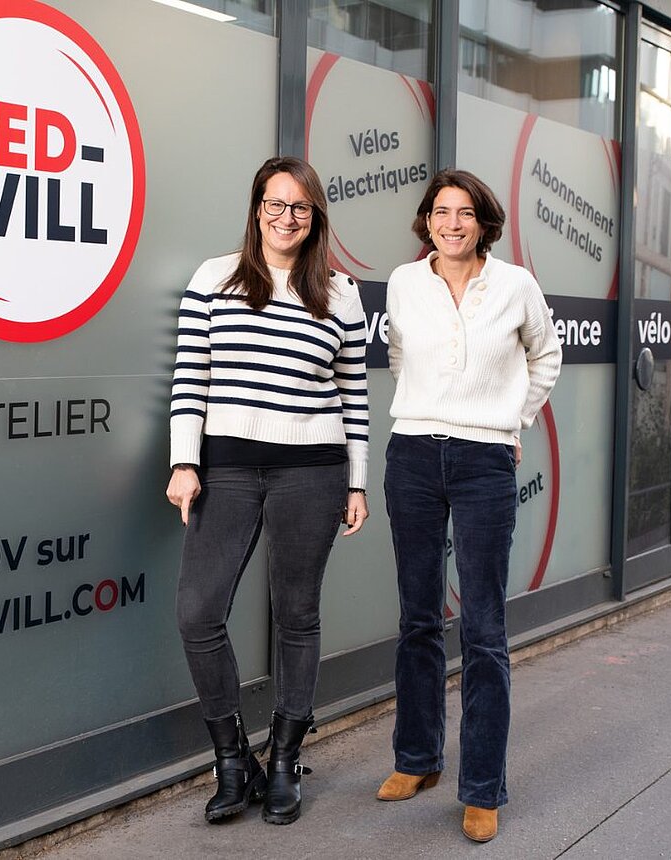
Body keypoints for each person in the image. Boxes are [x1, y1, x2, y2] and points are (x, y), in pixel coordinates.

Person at [166, 156, 370, 826]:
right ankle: (232, 760)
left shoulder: (339, 293)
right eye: (276, 205)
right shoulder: (214, 278)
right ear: (257, 208)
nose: (288, 218)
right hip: (225, 469)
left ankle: (283, 758)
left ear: (315, 219)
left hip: (312, 472)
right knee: (198, 612)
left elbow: (355, 396)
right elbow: (189, 376)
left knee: (297, 614)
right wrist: (183, 462)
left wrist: (359, 480)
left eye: (301, 208)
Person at [375, 169, 561, 843]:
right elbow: (399, 354)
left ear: (485, 222)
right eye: (440, 212)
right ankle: (417, 759)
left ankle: (482, 787)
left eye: (465, 213)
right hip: (414, 455)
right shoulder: (403, 281)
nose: (451, 223)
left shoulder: (516, 285)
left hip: (485, 459)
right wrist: (434, 410)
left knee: (482, 627)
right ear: (426, 221)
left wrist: (512, 422)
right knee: (418, 617)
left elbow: (546, 356)